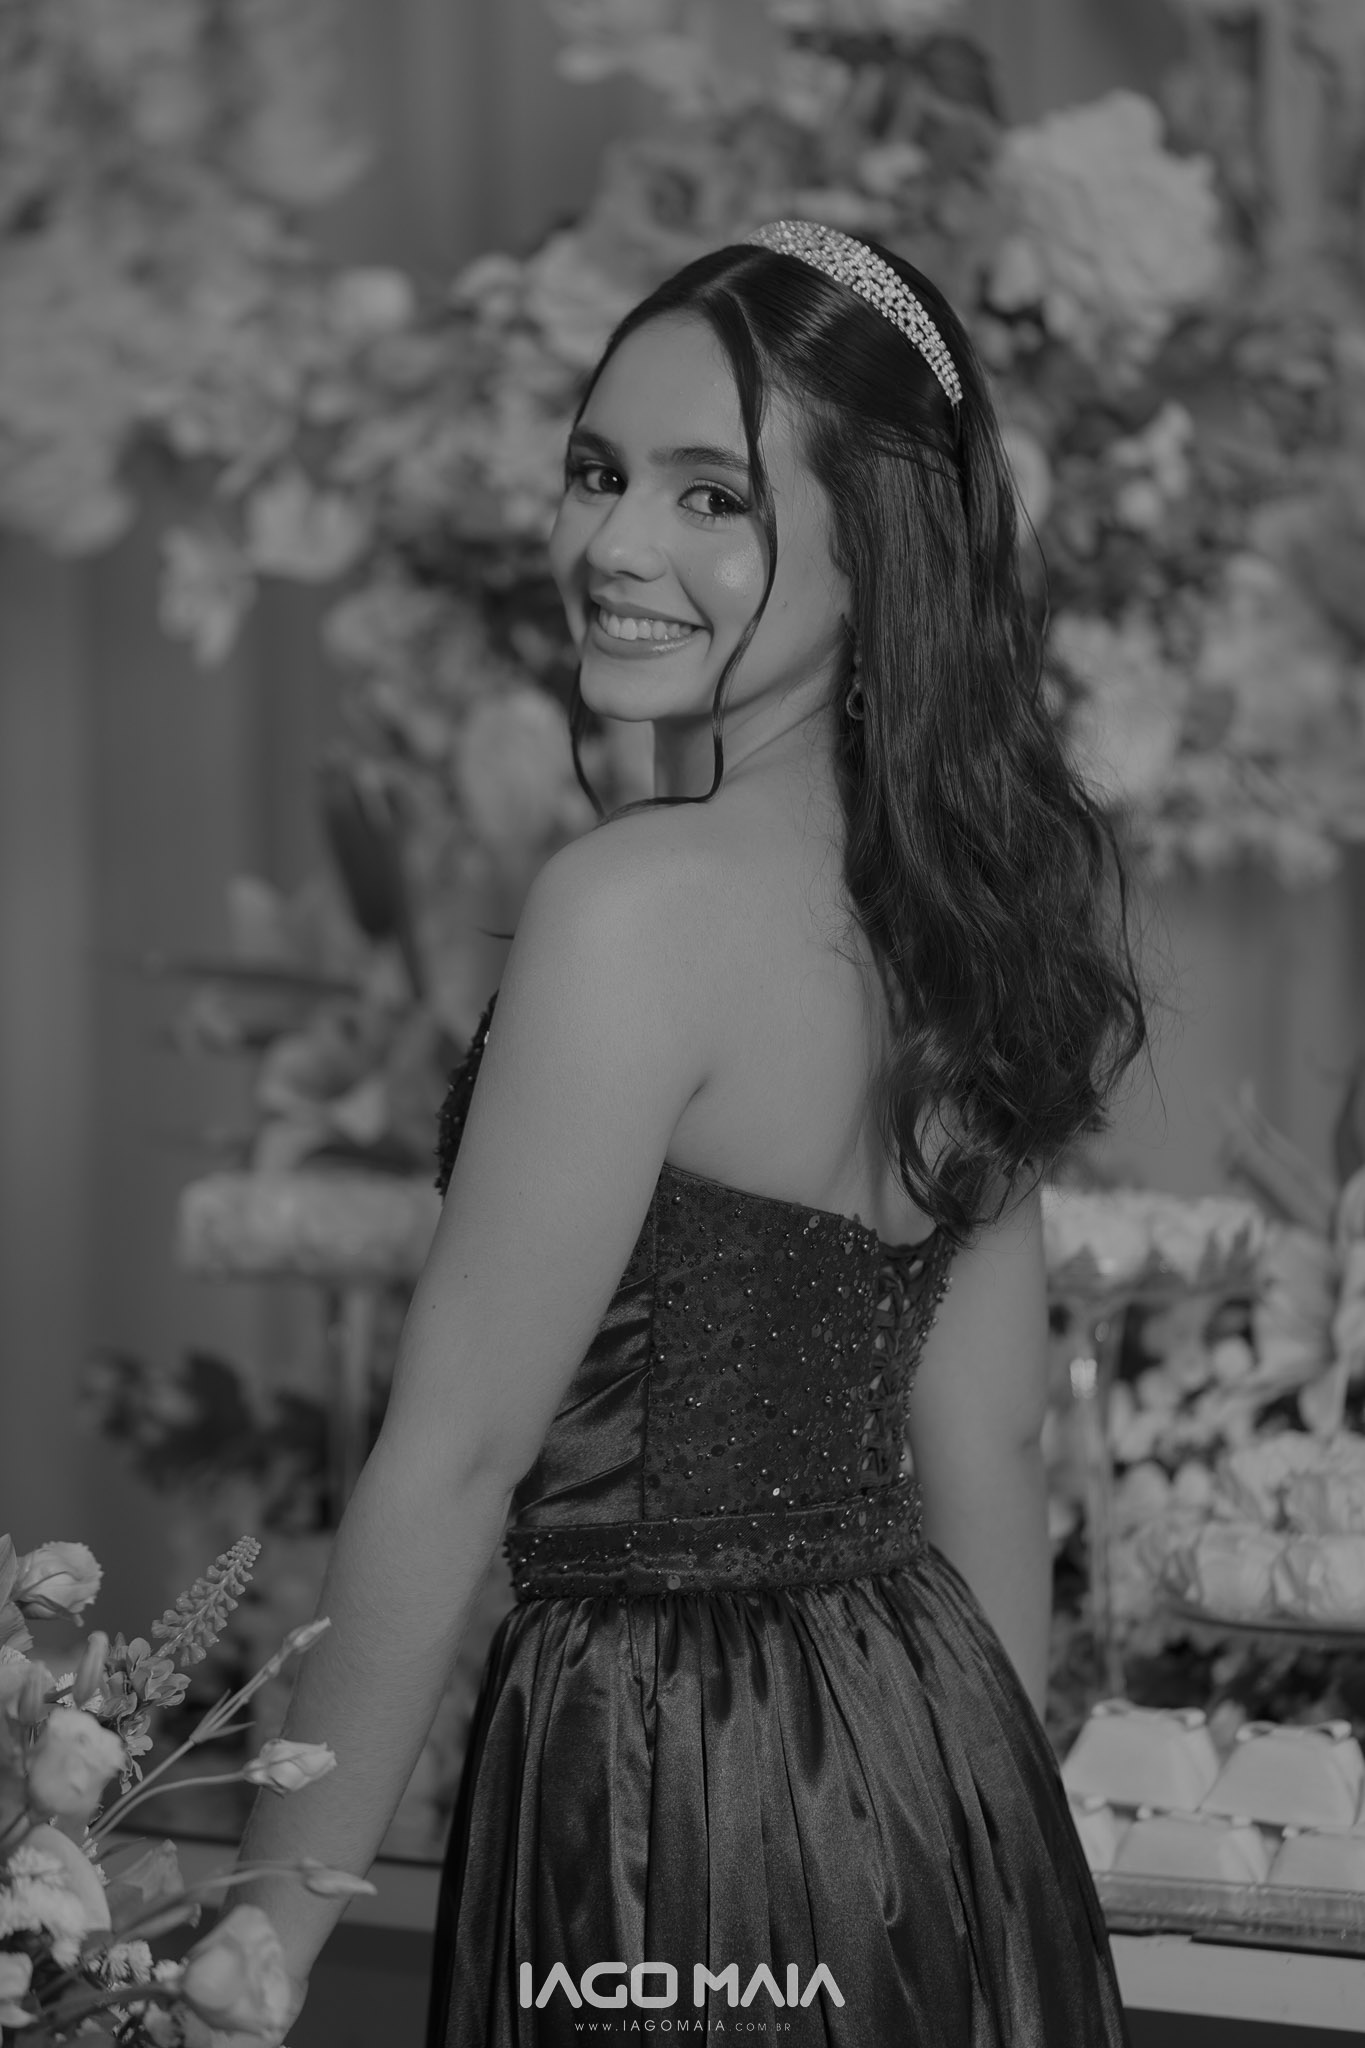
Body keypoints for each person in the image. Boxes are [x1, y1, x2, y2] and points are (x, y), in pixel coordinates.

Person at [234, 221, 1150, 2046]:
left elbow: (453, 1459)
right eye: (596, 473)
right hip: (926, 1752)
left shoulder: (629, 910)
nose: (614, 544)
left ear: (876, 550)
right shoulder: (964, 920)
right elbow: (990, 1450)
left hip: (668, 1772)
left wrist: (257, 1942)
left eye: (709, 496)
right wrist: (985, 1869)